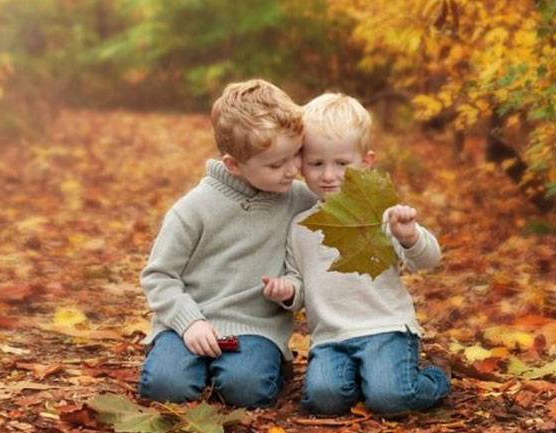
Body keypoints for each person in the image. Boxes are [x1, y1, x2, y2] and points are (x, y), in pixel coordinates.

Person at [264, 92, 450, 415]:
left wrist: (409, 236)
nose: (328, 175)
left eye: (342, 163)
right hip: (330, 337)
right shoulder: (300, 227)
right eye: (316, 163)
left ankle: (437, 377)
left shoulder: (381, 214)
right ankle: (368, 379)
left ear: (366, 162)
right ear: (300, 163)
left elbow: (429, 259)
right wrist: (288, 291)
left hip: (385, 329)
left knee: (390, 400)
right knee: (324, 400)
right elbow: (299, 280)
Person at [137, 79, 318, 408]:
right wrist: (188, 321)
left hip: (255, 327)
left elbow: (310, 269)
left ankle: (259, 369)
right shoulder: (193, 209)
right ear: (233, 165)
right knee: (165, 388)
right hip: (188, 323)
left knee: (246, 390)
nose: (293, 170)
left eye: (297, 155)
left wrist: (292, 291)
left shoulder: (300, 202)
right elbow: (158, 276)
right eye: (277, 164)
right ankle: (183, 365)